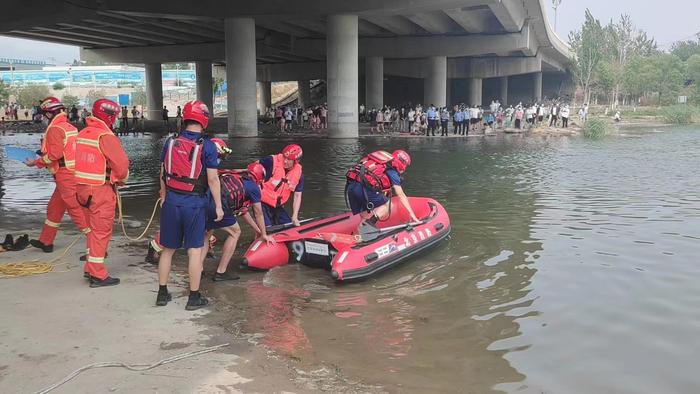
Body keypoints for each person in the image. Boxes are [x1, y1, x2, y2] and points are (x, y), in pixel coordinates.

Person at [156, 100, 222, 310]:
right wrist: (219, 206)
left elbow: (163, 173)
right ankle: (193, 297)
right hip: (194, 204)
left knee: (168, 249)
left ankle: (162, 293)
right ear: (204, 119)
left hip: (172, 202)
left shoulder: (170, 142)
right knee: (194, 250)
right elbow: (212, 180)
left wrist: (164, 195)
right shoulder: (208, 145)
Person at [74, 98, 130, 287]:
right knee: (101, 232)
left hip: (81, 190)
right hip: (100, 191)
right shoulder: (105, 136)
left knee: (92, 232)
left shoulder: (83, 133)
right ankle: (98, 274)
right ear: (110, 117)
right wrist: (117, 178)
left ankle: (90, 268)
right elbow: (121, 167)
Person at [25, 97, 90, 253]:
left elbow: (54, 155)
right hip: (70, 172)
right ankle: (46, 242)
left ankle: (95, 244)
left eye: (44, 115)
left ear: (48, 114)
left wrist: (36, 162)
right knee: (54, 208)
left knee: (76, 210)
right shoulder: (69, 127)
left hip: (65, 174)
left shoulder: (55, 129)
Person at [200, 161, 274, 281]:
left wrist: (258, 231)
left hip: (203, 202)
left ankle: (198, 269)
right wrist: (264, 235)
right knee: (235, 232)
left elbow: (244, 212)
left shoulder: (235, 177)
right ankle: (221, 272)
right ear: (260, 179)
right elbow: (258, 213)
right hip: (218, 207)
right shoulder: (253, 187)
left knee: (207, 234)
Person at [345, 150, 420, 229]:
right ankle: (369, 224)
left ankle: (359, 236)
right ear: (403, 165)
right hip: (363, 189)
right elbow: (401, 194)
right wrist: (412, 214)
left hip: (351, 186)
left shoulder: (379, 162)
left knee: (365, 216)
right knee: (389, 206)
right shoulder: (392, 171)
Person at [258, 144, 304, 227]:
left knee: (289, 226)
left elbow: (297, 196)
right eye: (284, 158)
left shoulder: (298, 175)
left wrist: (295, 216)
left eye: (289, 159)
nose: (285, 161)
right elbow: (254, 168)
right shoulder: (271, 161)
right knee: (267, 228)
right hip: (261, 202)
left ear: (296, 161)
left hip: (277, 206)